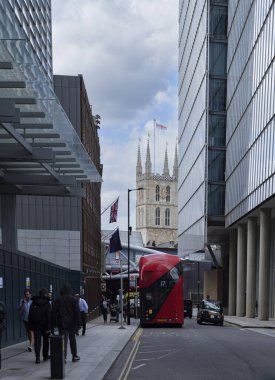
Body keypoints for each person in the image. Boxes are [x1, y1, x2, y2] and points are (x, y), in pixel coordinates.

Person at [52, 284, 81, 363]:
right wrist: (79, 323)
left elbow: (54, 312)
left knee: (63, 340)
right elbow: (77, 312)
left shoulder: (58, 300)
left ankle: (63, 357)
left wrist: (54, 323)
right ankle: (74, 356)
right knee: (72, 339)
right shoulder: (74, 299)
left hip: (62, 322)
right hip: (72, 323)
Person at [28, 288, 52, 364]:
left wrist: (31, 326)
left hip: (36, 324)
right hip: (45, 324)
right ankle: (45, 356)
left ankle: (37, 357)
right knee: (46, 340)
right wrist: (49, 327)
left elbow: (30, 314)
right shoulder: (47, 303)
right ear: (45, 294)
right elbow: (49, 315)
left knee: (37, 340)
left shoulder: (33, 302)